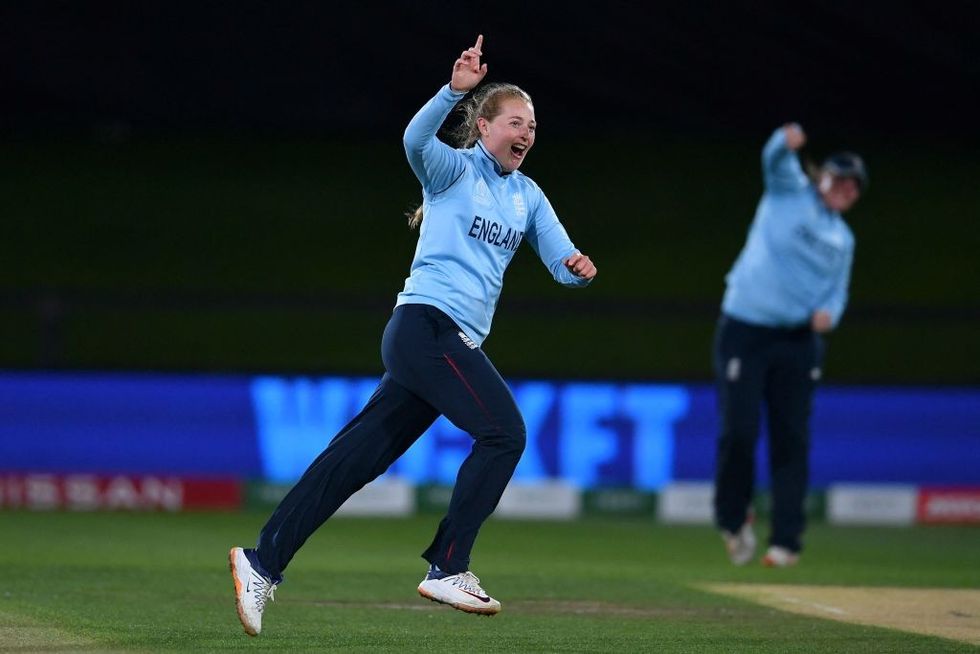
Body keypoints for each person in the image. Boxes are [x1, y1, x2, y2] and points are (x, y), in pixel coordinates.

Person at [229, 34, 597, 636]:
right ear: (482, 128)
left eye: (532, 125)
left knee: (350, 463)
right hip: (426, 328)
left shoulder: (527, 196)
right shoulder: (452, 171)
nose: (526, 133)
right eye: (514, 121)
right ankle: (448, 565)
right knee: (504, 433)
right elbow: (413, 140)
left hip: (442, 344)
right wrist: (453, 90)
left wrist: (576, 269)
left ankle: (262, 561)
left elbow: (560, 259)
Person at [713, 123, 866, 567]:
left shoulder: (844, 239)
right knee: (739, 431)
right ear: (822, 177)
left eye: (853, 186)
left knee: (792, 440)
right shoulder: (789, 192)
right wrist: (784, 140)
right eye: (839, 179)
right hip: (746, 328)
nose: (845, 189)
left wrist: (830, 315)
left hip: (798, 342)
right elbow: (773, 160)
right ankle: (732, 518)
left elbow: (837, 291)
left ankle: (786, 541)